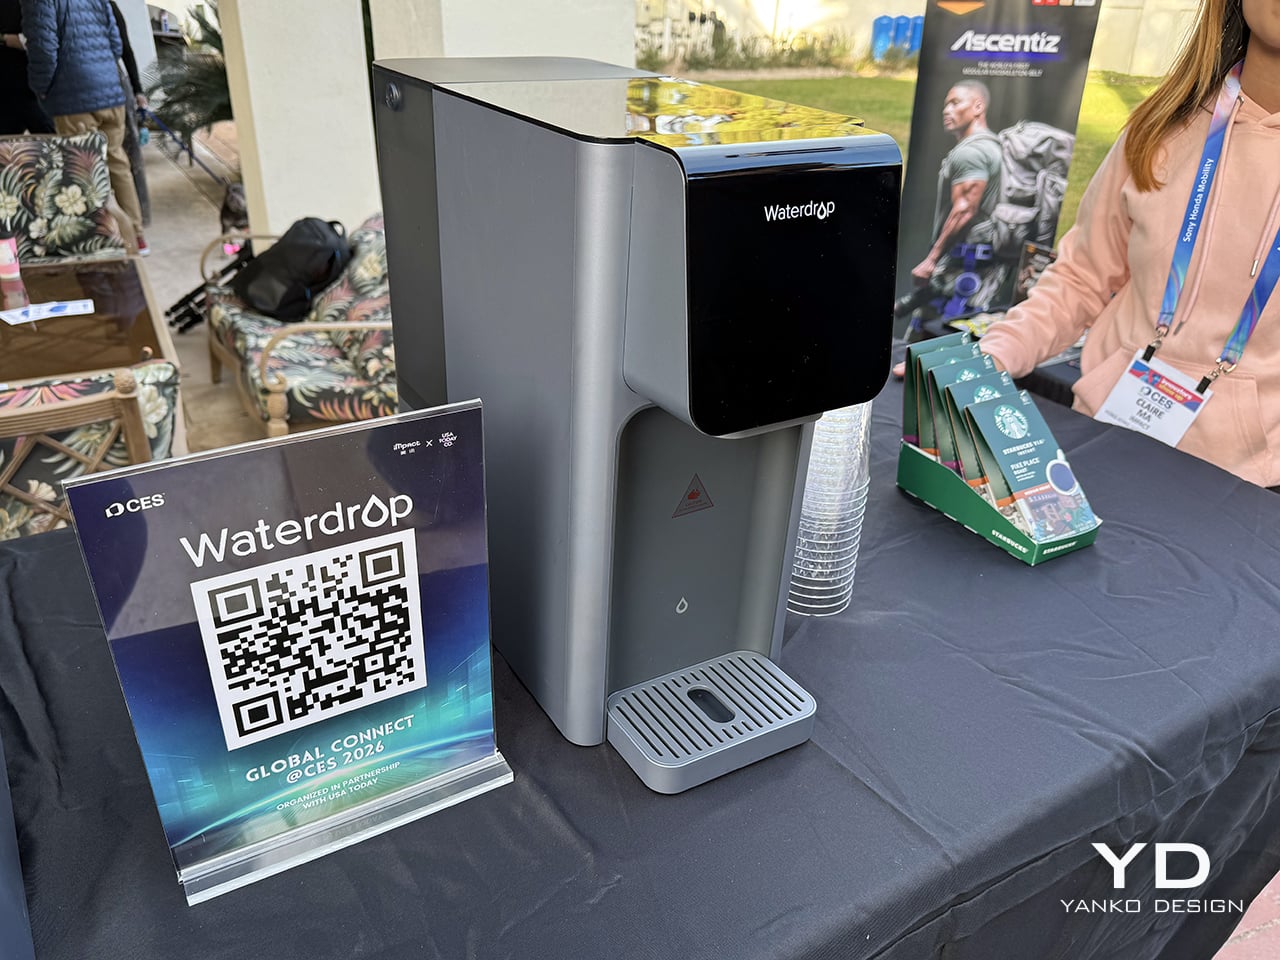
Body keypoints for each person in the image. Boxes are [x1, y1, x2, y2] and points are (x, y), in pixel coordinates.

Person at [977, 0, 1280, 489]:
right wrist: (992, 356)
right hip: (1104, 441)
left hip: (1246, 492)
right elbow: (1081, 277)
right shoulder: (1158, 129)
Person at [18, 0, 148, 254]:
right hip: (110, 92)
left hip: (73, 99)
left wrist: (41, 89)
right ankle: (136, 237)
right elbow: (116, 43)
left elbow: (43, 49)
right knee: (118, 164)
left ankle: (100, 241)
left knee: (84, 173)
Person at [910, 80, 1003, 288]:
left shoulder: (970, 152)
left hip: (963, 263)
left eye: (955, 103)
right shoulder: (993, 143)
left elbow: (965, 210)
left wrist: (931, 260)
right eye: (946, 105)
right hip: (985, 260)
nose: (946, 110)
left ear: (978, 107)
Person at [0, 0, 53, 135]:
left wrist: (6, 39)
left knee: (48, 133)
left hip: (28, 85)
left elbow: (40, 39)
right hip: (15, 83)